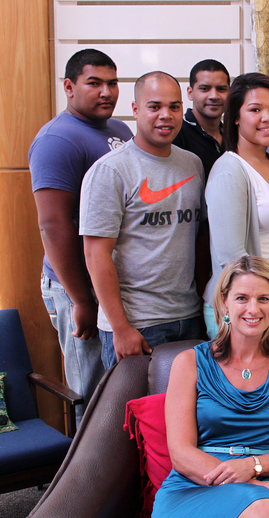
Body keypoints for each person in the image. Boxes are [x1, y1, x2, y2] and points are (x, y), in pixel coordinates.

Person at [153, 255, 269, 518]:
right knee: (262, 507)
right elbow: (181, 453)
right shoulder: (189, 363)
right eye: (242, 298)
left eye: (263, 299)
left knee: (263, 509)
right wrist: (249, 482)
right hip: (197, 484)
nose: (253, 309)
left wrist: (253, 466)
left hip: (267, 482)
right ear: (224, 302)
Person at [29, 48, 132, 422]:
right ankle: (87, 479)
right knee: (91, 393)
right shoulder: (58, 139)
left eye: (113, 83)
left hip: (109, 281)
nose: (106, 92)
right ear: (69, 87)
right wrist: (81, 300)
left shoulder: (118, 131)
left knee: (118, 387)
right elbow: (54, 225)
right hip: (76, 287)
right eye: (95, 83)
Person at [80, 71, 206, 368]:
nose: (166, 115)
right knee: (136, 413)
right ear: (135, 110)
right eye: (155, 107)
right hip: (138, 324)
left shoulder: (192, 163)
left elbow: (197, 240)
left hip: (189, 317)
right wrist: (121, 329)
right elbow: (95, 253)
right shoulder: (111, 170)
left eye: (174, 107)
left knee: (183, 413)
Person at [205, 73, 269, 338]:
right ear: (236, 117)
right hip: (247, 310)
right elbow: (232, 258)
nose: (268, 117)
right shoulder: (230, 170)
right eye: (255, 109)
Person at [173, 59, 230, 179]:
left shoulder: (234, 135)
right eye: (205, 89)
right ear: (190, 93)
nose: (214, 96)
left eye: (221, 89)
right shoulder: (176, 134)